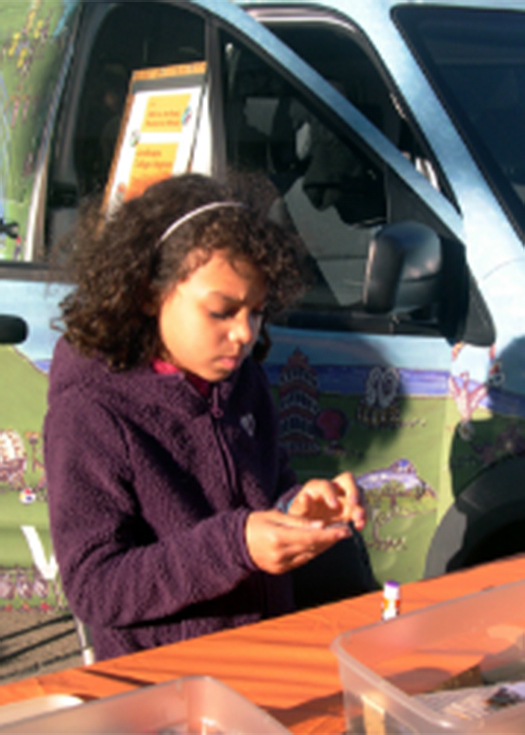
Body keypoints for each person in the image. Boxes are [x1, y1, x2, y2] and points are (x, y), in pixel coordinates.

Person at [44, 173, 367, 662]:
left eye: (257, 312)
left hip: (268, 654)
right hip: (170, 682)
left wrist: (298, 507)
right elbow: (96, 587)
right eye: (222, 311)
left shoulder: (246, 381)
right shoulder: (91, 411)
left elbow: (269, 490)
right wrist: (235, 546)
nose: (244, 333)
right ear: (150, 292)